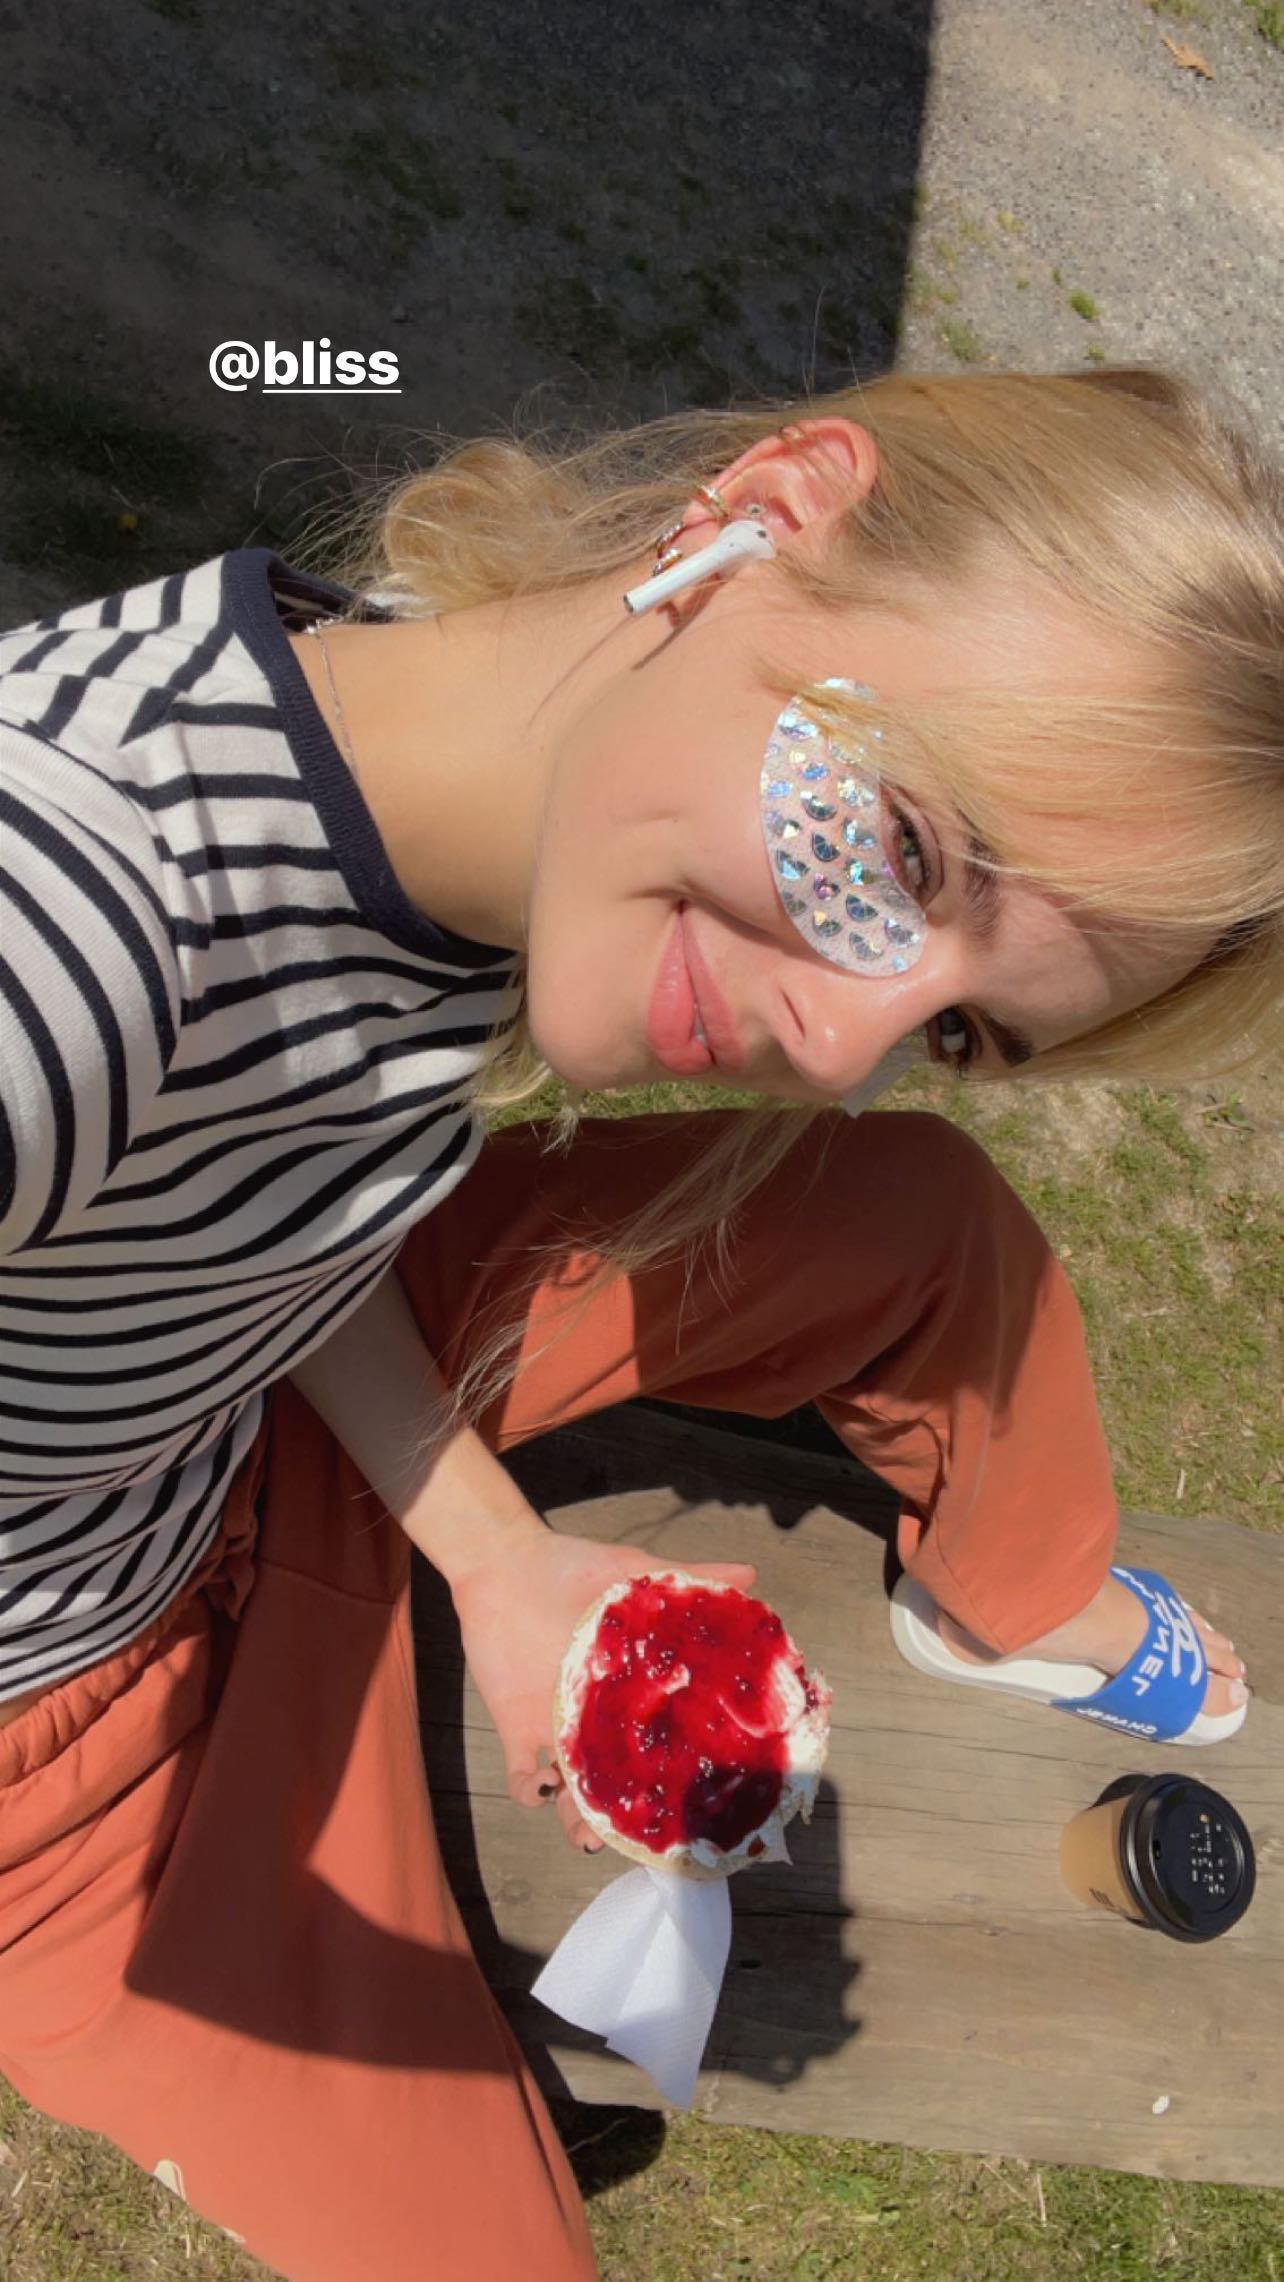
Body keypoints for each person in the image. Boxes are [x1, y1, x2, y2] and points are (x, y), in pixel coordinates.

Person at [0, 366, 1279, 2280]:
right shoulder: (62, 940)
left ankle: (1020, 1592)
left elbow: (258, 1172)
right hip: (83, 1760)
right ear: (766, 506)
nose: (844, 1051)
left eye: (958, 1028)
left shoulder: (418, 725)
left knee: (925, 1228)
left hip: (261, 1376)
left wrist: (498, 1561)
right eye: (905, 851)